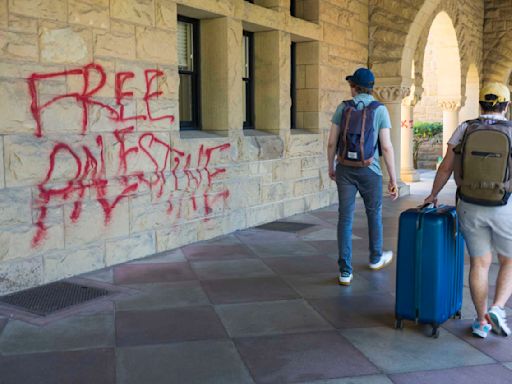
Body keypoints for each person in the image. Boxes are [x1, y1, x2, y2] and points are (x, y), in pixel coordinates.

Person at [424, 82, 512, 338]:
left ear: (481, 104)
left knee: (479, 263)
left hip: (469, 204)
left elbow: (445, 168)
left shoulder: (465, 128)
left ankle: (482, 320)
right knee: (508, 260)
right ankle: (497, 308)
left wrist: (433, 195)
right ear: (506, 105)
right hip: (504, 204)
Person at [327, 68, 399, 286]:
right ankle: (376, 257)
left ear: (353, 87)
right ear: (371, 87)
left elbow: (331, 142)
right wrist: (393, 179)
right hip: (371, 170)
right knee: (373, 214)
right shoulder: (380, 110)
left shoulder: (343, 107)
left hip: (345, 169)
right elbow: (386, 147)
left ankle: (345, 272)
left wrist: (331, 166)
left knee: (345, 218)